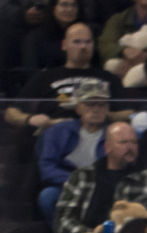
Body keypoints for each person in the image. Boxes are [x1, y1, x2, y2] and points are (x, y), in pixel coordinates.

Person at [34, 77, 113, 221]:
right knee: (48, 196)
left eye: (102, 104)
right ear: (78, 108)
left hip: (103, 186)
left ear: (107, 108)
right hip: (67, 184)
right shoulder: (58, 131)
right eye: (90, 103)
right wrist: (73, 181)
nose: (96, 109)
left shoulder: (115, 133)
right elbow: (47, 166)